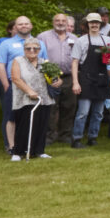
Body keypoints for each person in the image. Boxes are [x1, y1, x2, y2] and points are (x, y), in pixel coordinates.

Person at [8, 36, 56, 161]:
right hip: (24, 99)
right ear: (24, 49)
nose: (32, 50)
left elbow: (55, 80)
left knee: (42, 125)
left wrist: (56, 81)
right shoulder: (18, 61)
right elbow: (16, 78)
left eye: (35, 48)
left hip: (43, 98)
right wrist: (29, 91)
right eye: (28, 48)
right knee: (24, 125)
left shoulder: (45, 63)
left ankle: (39, 151)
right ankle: (18, 152)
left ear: (39, 49)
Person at [69, 13, 110, 148]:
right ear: (87, 24)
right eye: (91, 23)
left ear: (100, 24)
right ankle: (76, 138)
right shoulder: (81, 41)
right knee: (83, 112)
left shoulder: (107, 40)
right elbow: (75, 62)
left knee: (99, 113)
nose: (94, 25)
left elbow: (108, 60)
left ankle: (92, 137)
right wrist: (76, 82)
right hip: (86, 78)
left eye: (97, 23)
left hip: (101, 78)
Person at [37, 14, 78, 143]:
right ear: (52, 22)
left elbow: (77, 59)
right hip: (49, 77)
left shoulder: (74, 38)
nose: (60, 23)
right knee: (50, 107)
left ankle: (65, 135)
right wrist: (51, 76)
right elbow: (39, 58)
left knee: (69, 106)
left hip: (69, 76)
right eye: (57, 20)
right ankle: (49, 135)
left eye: (63, 21)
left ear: (67, 23)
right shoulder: (43, 37)